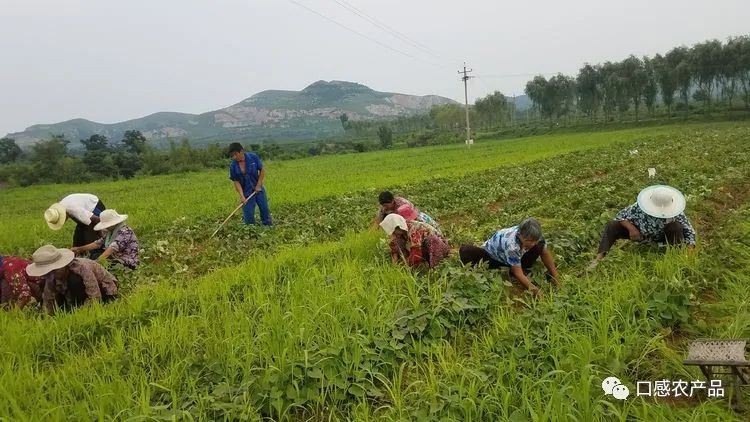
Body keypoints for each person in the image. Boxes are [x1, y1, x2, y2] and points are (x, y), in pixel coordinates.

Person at [590, 185, 696, 268]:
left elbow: (689, 230)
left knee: (675, 226)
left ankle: (677, 257)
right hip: (640, 234)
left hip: (662, 237)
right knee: (612, 225)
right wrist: (632, 229)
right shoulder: (640, 207)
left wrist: (689, 252)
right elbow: (620, 216)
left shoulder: (675, 212)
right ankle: (599, 258)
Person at [459, 218, 560, 298]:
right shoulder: (512, 244)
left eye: (535, 240)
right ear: (520, 235)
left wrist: (556, 277)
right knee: (466, 250)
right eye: (529, 241)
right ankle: (513, 269)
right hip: (494, 257)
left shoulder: (536, 236)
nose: (533, 243)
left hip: (517, 257)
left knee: (540, 246)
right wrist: (536, 291)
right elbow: (518, 273)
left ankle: (517, 267)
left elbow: (545, 253)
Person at [25, 244, 119, 314]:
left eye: (54, 270)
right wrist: (49, 315)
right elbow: (48, 297)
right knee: (47, 284)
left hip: (104, 290)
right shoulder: (51, 276)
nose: (51, 274)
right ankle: (72, 306)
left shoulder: (81, 268)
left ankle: (78, 307)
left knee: (74, 281)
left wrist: (82, 312)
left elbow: (95, 294)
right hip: (71, 293)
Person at [71, 210, 139, 269]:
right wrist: (79, 249)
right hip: (114, 256)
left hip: (125, 261)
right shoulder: (110, 231)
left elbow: (112, 248)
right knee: (95, 255)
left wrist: (96, 263)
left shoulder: (125, 232)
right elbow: (98, 243)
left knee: (107, 266)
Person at [379, 213, 450, 268]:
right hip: (423, 248)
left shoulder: (414, 229)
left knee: (431, 240)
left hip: (438, 247)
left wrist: (404, 266)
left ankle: (434, 267)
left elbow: (416, 252)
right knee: (397, 241)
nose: (393, 234)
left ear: (398, 227)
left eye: (394, 232)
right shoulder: (402, 230)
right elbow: (394, 247)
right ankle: (414, 263)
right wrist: (394, 265)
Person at [228, 143, 272, 226]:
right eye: (232, 155)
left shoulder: (253, 157)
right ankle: (250, 230)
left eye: (235, 154)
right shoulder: (233, 166)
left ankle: (268, 226)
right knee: (248, 216)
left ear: (241, 151)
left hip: (258, 188)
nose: (234, 157)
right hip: (246, 192)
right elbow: (236, 181)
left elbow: (262, 170)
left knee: (264, 209)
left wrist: (259, 185)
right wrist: (241, 196)